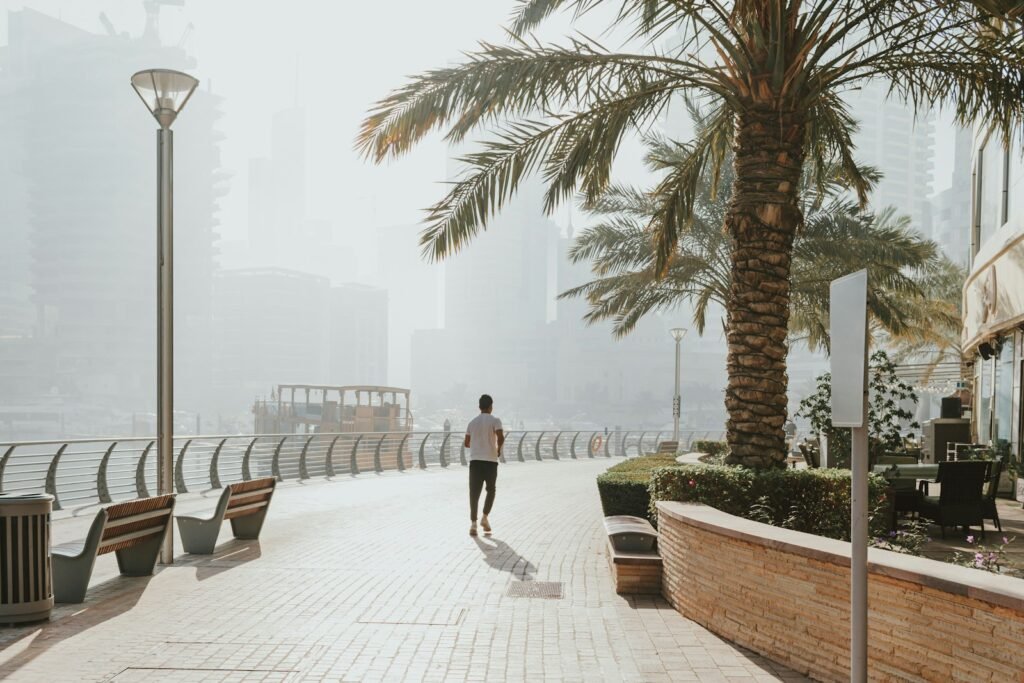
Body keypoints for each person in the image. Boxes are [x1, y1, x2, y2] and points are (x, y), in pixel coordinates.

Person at [464, 394, 504, 536]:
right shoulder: (495, 421)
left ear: (479, 407)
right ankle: (485, 517)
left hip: (475, 461)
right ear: (491, 406)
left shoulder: (472, 423)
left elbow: (466, 443)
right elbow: (500, 437)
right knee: (491, 490)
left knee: (474, 493)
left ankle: (473, 524)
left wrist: (477, 442)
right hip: (491, 461)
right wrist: (498, 449)